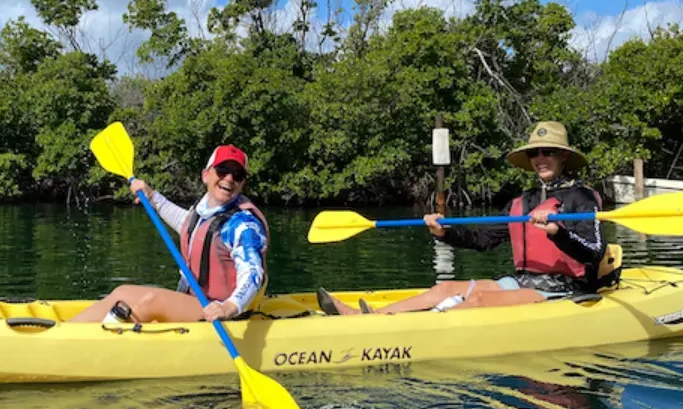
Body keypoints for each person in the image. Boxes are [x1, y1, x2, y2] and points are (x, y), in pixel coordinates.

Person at [317, 121, 609, 315]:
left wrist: (558, 232)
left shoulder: (581, 198)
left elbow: (594, 253)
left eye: (549, 152)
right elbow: (482, 239)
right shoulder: (522, 202)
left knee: (478, 300)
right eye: (535, 153)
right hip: (524, 283)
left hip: (566, 292)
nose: (540, 158)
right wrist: (446, 233)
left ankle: (401, 332)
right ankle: (365, 317)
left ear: (563, 157)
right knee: (445, 288)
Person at [69, 144, 268, 324]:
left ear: (242, 184)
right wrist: (152, 197)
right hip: (197, 301)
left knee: (152, 303)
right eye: (223, 170)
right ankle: (66, 333)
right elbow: (188, 226)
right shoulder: (205, 210)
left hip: (225, 313)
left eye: (237, 175)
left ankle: (99, 347)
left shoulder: (244, 225)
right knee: (122, 293)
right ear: (206, 175)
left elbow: (252, 273)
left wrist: (229, 307)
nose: (229, 179)